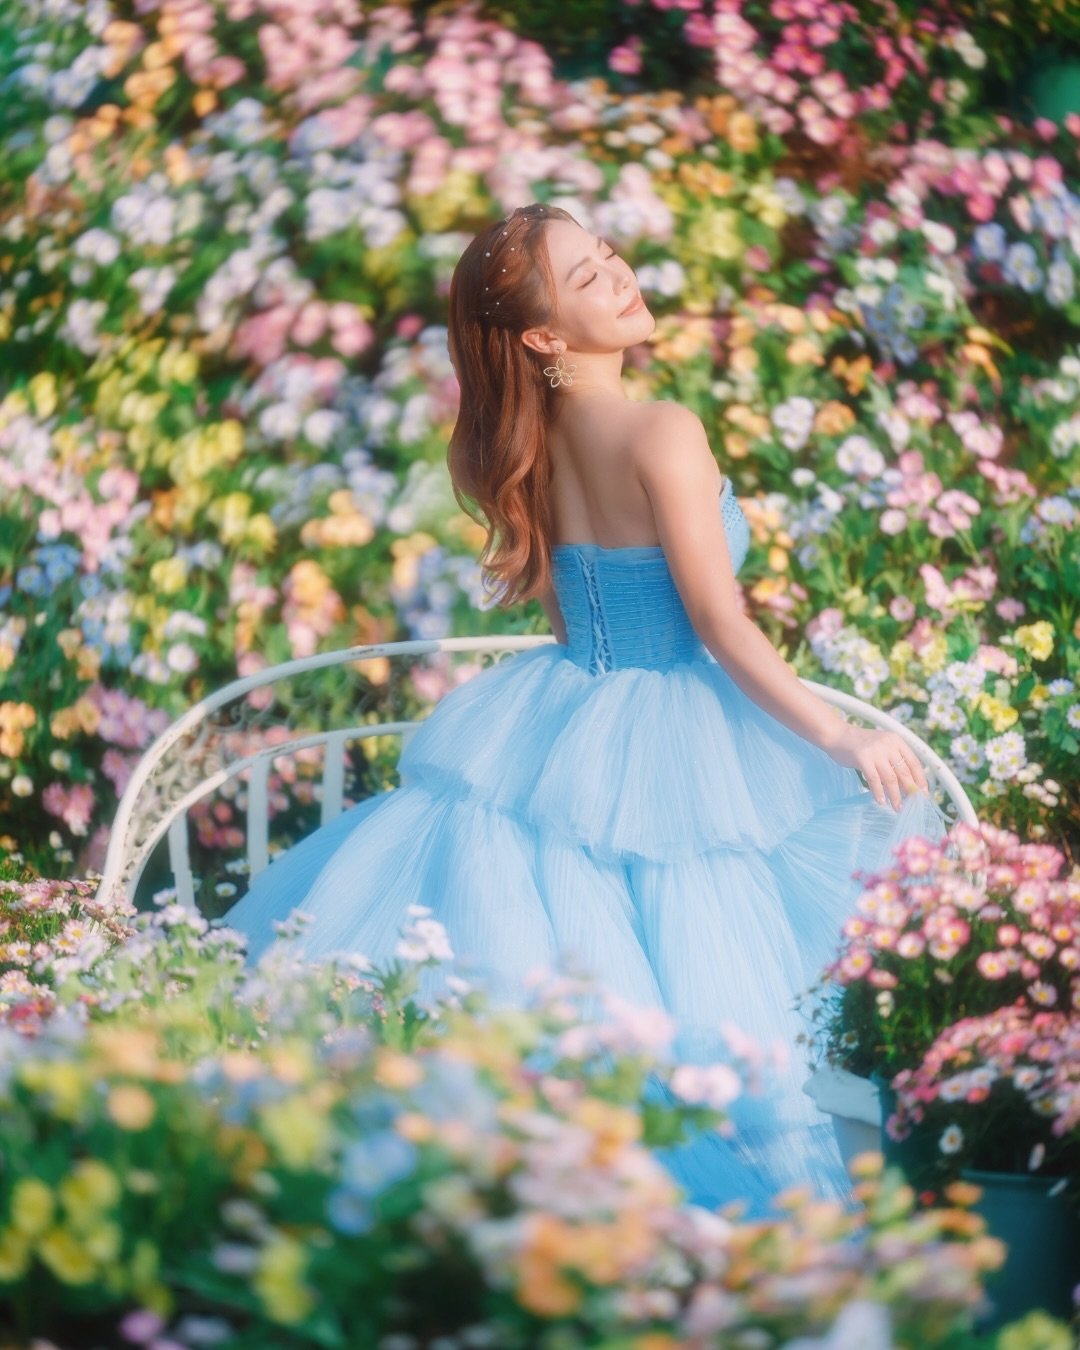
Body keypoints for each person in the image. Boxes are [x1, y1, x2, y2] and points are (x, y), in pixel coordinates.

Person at [221, 202, 949, 1216]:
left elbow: (576, 617)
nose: (620, 274)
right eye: (587, 277)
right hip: (673, 735)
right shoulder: (662, 428)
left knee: (577, 1007)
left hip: (563, 720)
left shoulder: (532, 442)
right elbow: (718, 623)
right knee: (704, 999)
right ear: (544, 337)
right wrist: (838, 735)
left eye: (608, 255)